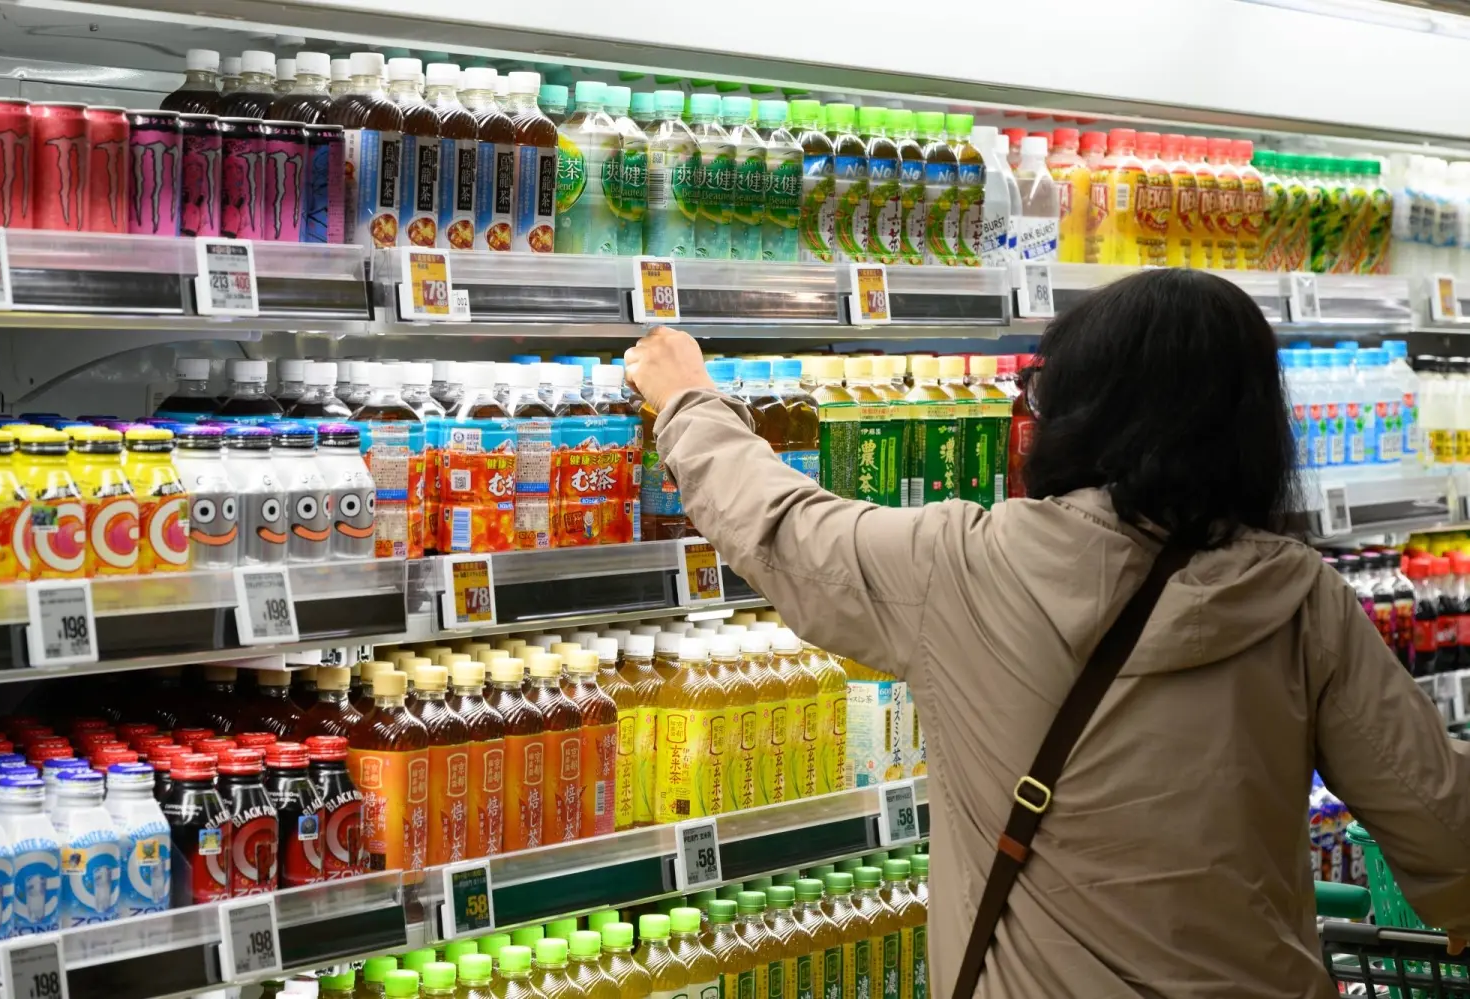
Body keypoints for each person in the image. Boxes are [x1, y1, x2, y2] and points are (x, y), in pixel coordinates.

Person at [623, 269, 1470, 999]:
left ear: (1073, 411)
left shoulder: (963, 564)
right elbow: (1440, 819)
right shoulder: (1300, 596)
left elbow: (782, 525)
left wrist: (690, 401)